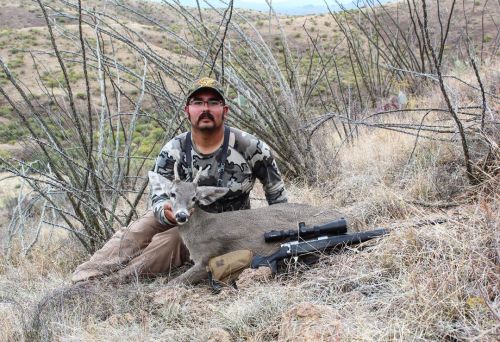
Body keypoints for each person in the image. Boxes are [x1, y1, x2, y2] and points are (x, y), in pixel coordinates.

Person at [72, 77, 288, 283]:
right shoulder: (173, 150)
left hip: (221, 228)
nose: (205, 109)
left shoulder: (251, 147)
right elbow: (157, 198)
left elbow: (277, 196)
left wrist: (282, 232)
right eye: (198, 102)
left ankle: (117, 281)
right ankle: (84, 277)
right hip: (179, 214)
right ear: (187, 111)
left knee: (170, 242)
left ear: (225, 110)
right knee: (138, 230)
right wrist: (163, 210)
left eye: (213, 102)